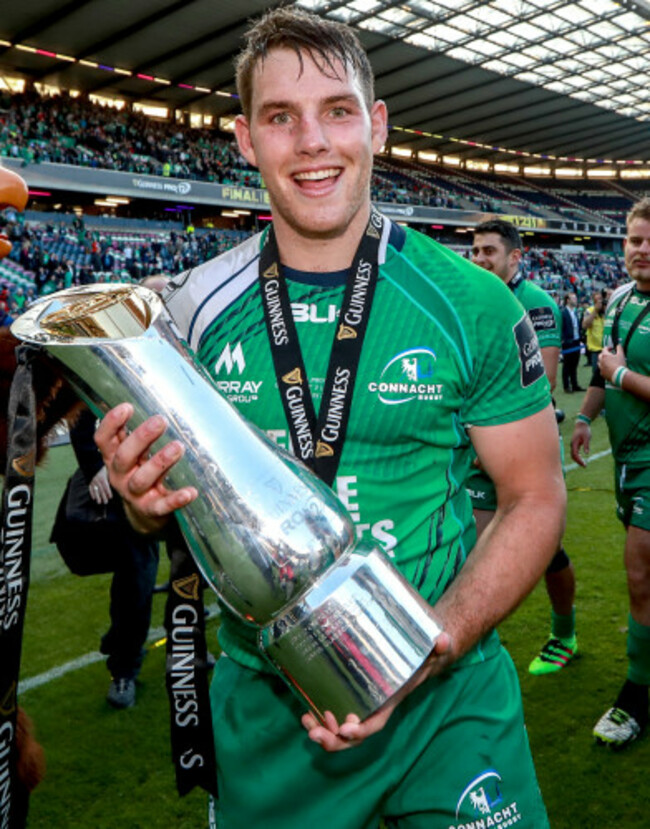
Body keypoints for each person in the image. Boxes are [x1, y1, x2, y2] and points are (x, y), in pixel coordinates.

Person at [95, 8, 565, 827]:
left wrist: (431, 646)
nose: (312, 142)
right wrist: (142, 502)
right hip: (271, 704)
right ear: (246, 139)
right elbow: (172, 514)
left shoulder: (472, 303)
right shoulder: (188, 316)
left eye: (337, 110)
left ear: (376, 125)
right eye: (282, 117)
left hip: (448, 701)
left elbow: (534, 496)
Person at [470, 219, 578, 676]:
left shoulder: (536, 304)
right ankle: (474, 646)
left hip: (520, 446)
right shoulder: (468, 297)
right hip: (473, 448)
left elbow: (543, 383)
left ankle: (564, 631)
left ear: (515, 258)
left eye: (488, 251)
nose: (479, 260)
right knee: (472, 549)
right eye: (474, 251)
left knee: (544, 550)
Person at [571, 197, 650, 749]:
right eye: (633, 240)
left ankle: (636, 696)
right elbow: (602, 371)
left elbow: (613, 369)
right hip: (626, 459)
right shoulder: (619, 299)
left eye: (648, 242)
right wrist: (583, 417)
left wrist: (620, 376)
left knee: (640, 576)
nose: (639, 251)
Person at [67, 407, 159, 708]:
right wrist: (94, 465)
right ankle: (123, 669)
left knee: (190, 568)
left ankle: (188, 649)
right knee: (135, 578)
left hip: (174, 474)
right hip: (128, 484)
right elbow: (80, 413)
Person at [561, 291, 584, 393]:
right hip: (568, 342)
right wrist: (564, 340)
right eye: (573, 298)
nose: (575, 300)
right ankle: (566, 386)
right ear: (567, 300)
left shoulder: (576, 312)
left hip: (576, 341)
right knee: (567, 365)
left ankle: (575, 384)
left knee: (575, 364)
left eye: (575, 298)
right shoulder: (563, 312)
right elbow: (562, 327)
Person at [582, 290, 605, 369]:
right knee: (596, 373)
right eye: (597, 299)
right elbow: (585, 325)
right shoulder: (590, 311)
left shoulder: (608, 310)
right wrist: (595, 310)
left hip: (607, 348)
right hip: (596, 348)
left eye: (601, 299)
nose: (600, 302)